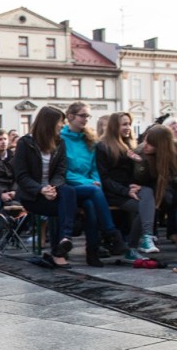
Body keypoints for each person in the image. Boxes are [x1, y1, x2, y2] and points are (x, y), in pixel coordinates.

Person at [61, 102, 126, 266]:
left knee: (90, 204)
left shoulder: (90, 139)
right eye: (82, 115)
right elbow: (63, 171)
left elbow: (94, 167)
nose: (86, 119)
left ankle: (93, 251)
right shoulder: (60, 139)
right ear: (70, 116)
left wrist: (94, 181)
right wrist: (90, 182)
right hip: (69, 186)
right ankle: (111, 232)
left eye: (88, 116)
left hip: (89, 187)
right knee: (93, 192)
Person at [13, 106, 77, 268]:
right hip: (32, 196)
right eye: (60, 122)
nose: (63, 125)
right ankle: (60, 249)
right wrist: (41, 189)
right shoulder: (25, 143)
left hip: (53, 191)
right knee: (63, 207)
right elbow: (21, 176)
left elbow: (61, 171)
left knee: (68, 192)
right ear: (49, 123)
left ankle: (64, 241)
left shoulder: (60, 143)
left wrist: (52, 187)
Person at [96, 112, 156, 258]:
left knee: (147, 193)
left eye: (129, 123)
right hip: (114, 193)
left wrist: (138, 162)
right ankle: (133, 247)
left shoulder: (131, 145)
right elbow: (105, 178)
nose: (128, 127)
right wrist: (125, 191)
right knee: (145, 208)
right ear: (114, 126)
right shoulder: (102, 146)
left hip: (131, 189)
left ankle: (146, 237)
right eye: (124, 124)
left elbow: (138, 175)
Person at [133, 125, 177, 247]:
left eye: (150, 143)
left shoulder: (174, 149)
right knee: (155, 195)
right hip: (148, 187)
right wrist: (141, 162)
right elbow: (139, 179)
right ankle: (149, 235)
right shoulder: (140, 151)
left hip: (169, 185)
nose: (145, 144)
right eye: (145, 140)